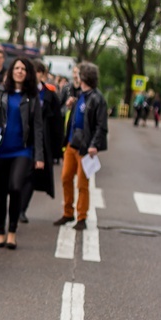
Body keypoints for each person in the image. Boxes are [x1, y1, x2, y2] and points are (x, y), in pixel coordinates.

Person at [0, 57, 44, 249]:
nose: (20, 71)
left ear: (28, 73)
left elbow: (38, 128)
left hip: (22, 150)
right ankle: (0, 232)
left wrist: (39, 156)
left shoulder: (32, 96)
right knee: (0, 191)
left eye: (23, 69)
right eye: (17, 68)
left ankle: (12, 232)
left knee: (15, 187)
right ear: (11, 71)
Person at [53, 62, 108, 231]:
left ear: (85, 77)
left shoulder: (97, 98)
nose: (75, 76)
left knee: (82, 184)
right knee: (65, 178)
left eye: (78, 74)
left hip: (85, 148)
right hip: (71, 144)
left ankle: (82, 217)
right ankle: (68, 212)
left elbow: (101, 126)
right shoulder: (80, 95)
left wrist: (94, 145)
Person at [20, 59, 64, 223]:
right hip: (21, 139)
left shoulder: (49, 96)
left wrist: (56, 149)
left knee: (31, 177)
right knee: (18, 176)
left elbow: (57, 124)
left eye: (38, 72)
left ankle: (22, 209)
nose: (35, 75)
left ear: (43, 75)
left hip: (40, 142)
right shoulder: (22, 92)